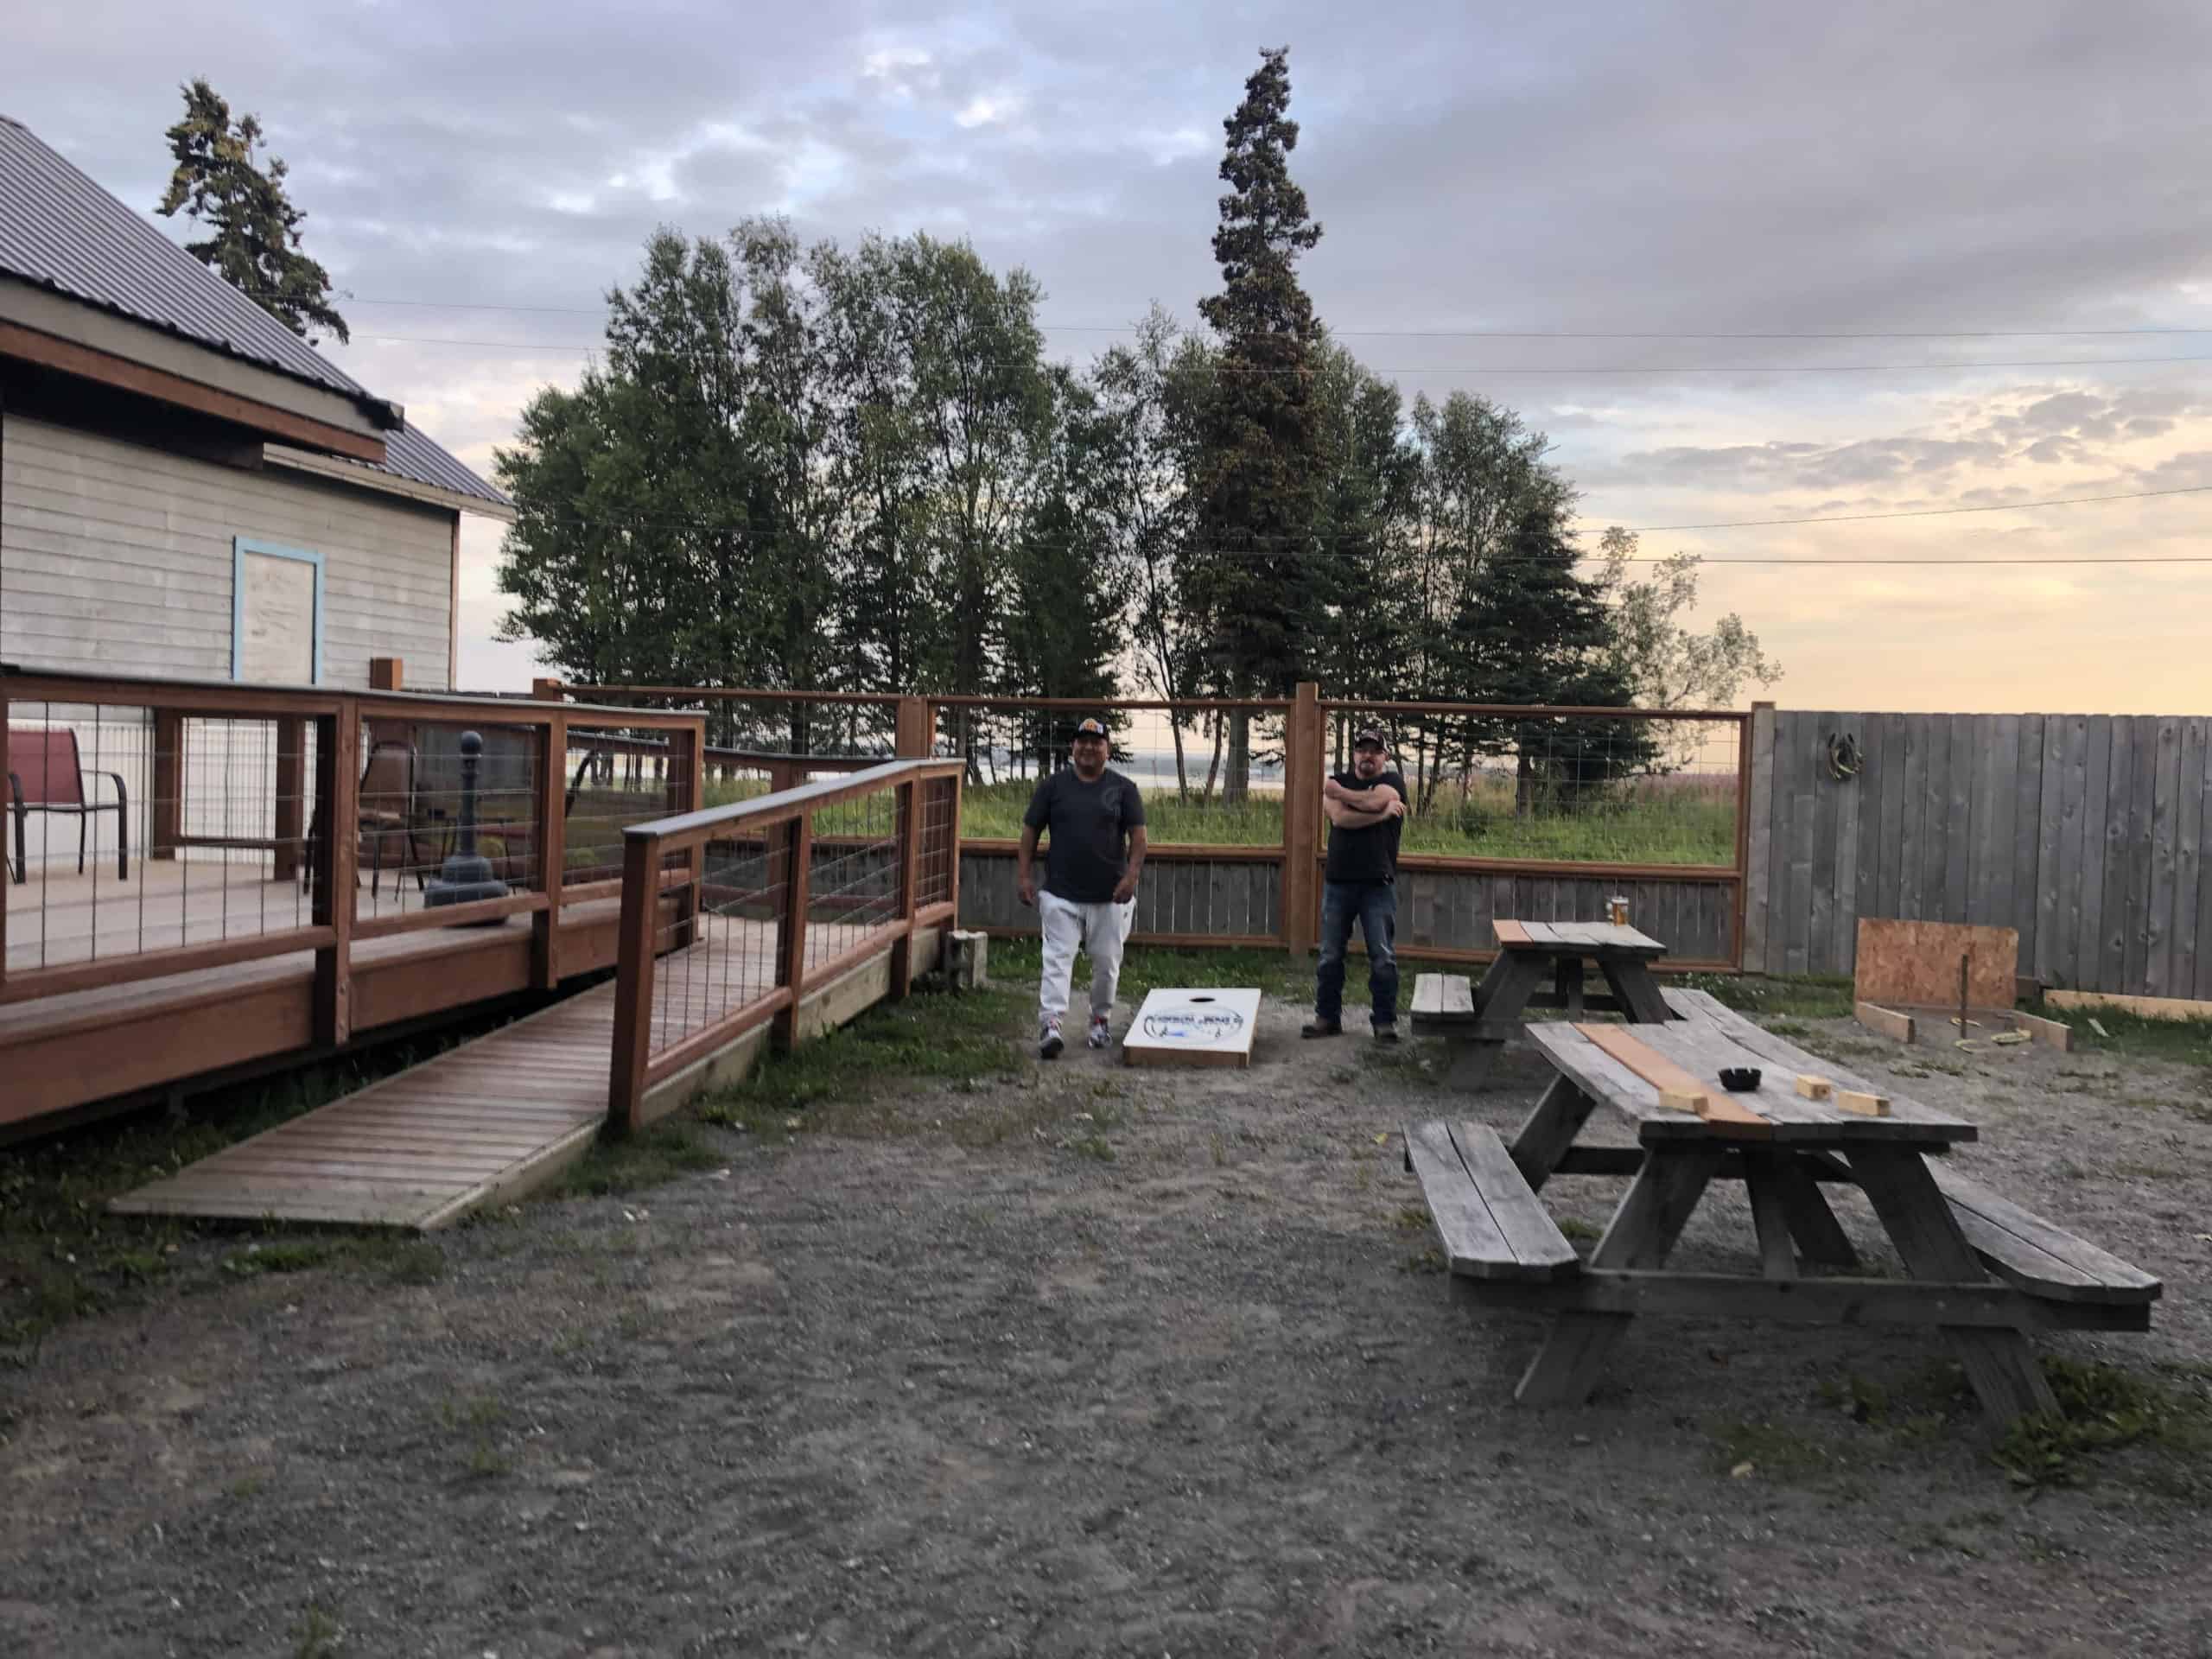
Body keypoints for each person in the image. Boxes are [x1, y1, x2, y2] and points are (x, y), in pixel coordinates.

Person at [1017, 716, 1148, 1058]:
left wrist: (1131, 877)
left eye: (1096, 742)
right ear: (1073, 747)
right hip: (1060, 894)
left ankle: (1100, 1020)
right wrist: (1024, 876)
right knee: (1057, 960)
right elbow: (1030, 831)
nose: (1088, 747)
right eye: (1082, 741)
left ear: (1107, 749)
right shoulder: (1053, 787)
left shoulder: (1124, 789)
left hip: (1110, 897)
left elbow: (1138, 837)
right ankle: (1051, 1025)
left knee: (1107, 963)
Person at [1303, 727, 1408, 1042]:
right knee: (1330, 954)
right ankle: (1327, 1018)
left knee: (1383, 956)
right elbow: (1341, 819)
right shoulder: (1339, 780)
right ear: (1353, 755)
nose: (1367, 756)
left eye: (1374, 751)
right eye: (1362, 750)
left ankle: (1385, 1023)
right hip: (1339, 883)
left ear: (1385, 757)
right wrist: (1378, 811)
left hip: (1378, 884)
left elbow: (1381, 800)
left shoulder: (1393, 783)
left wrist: (1345, 796)